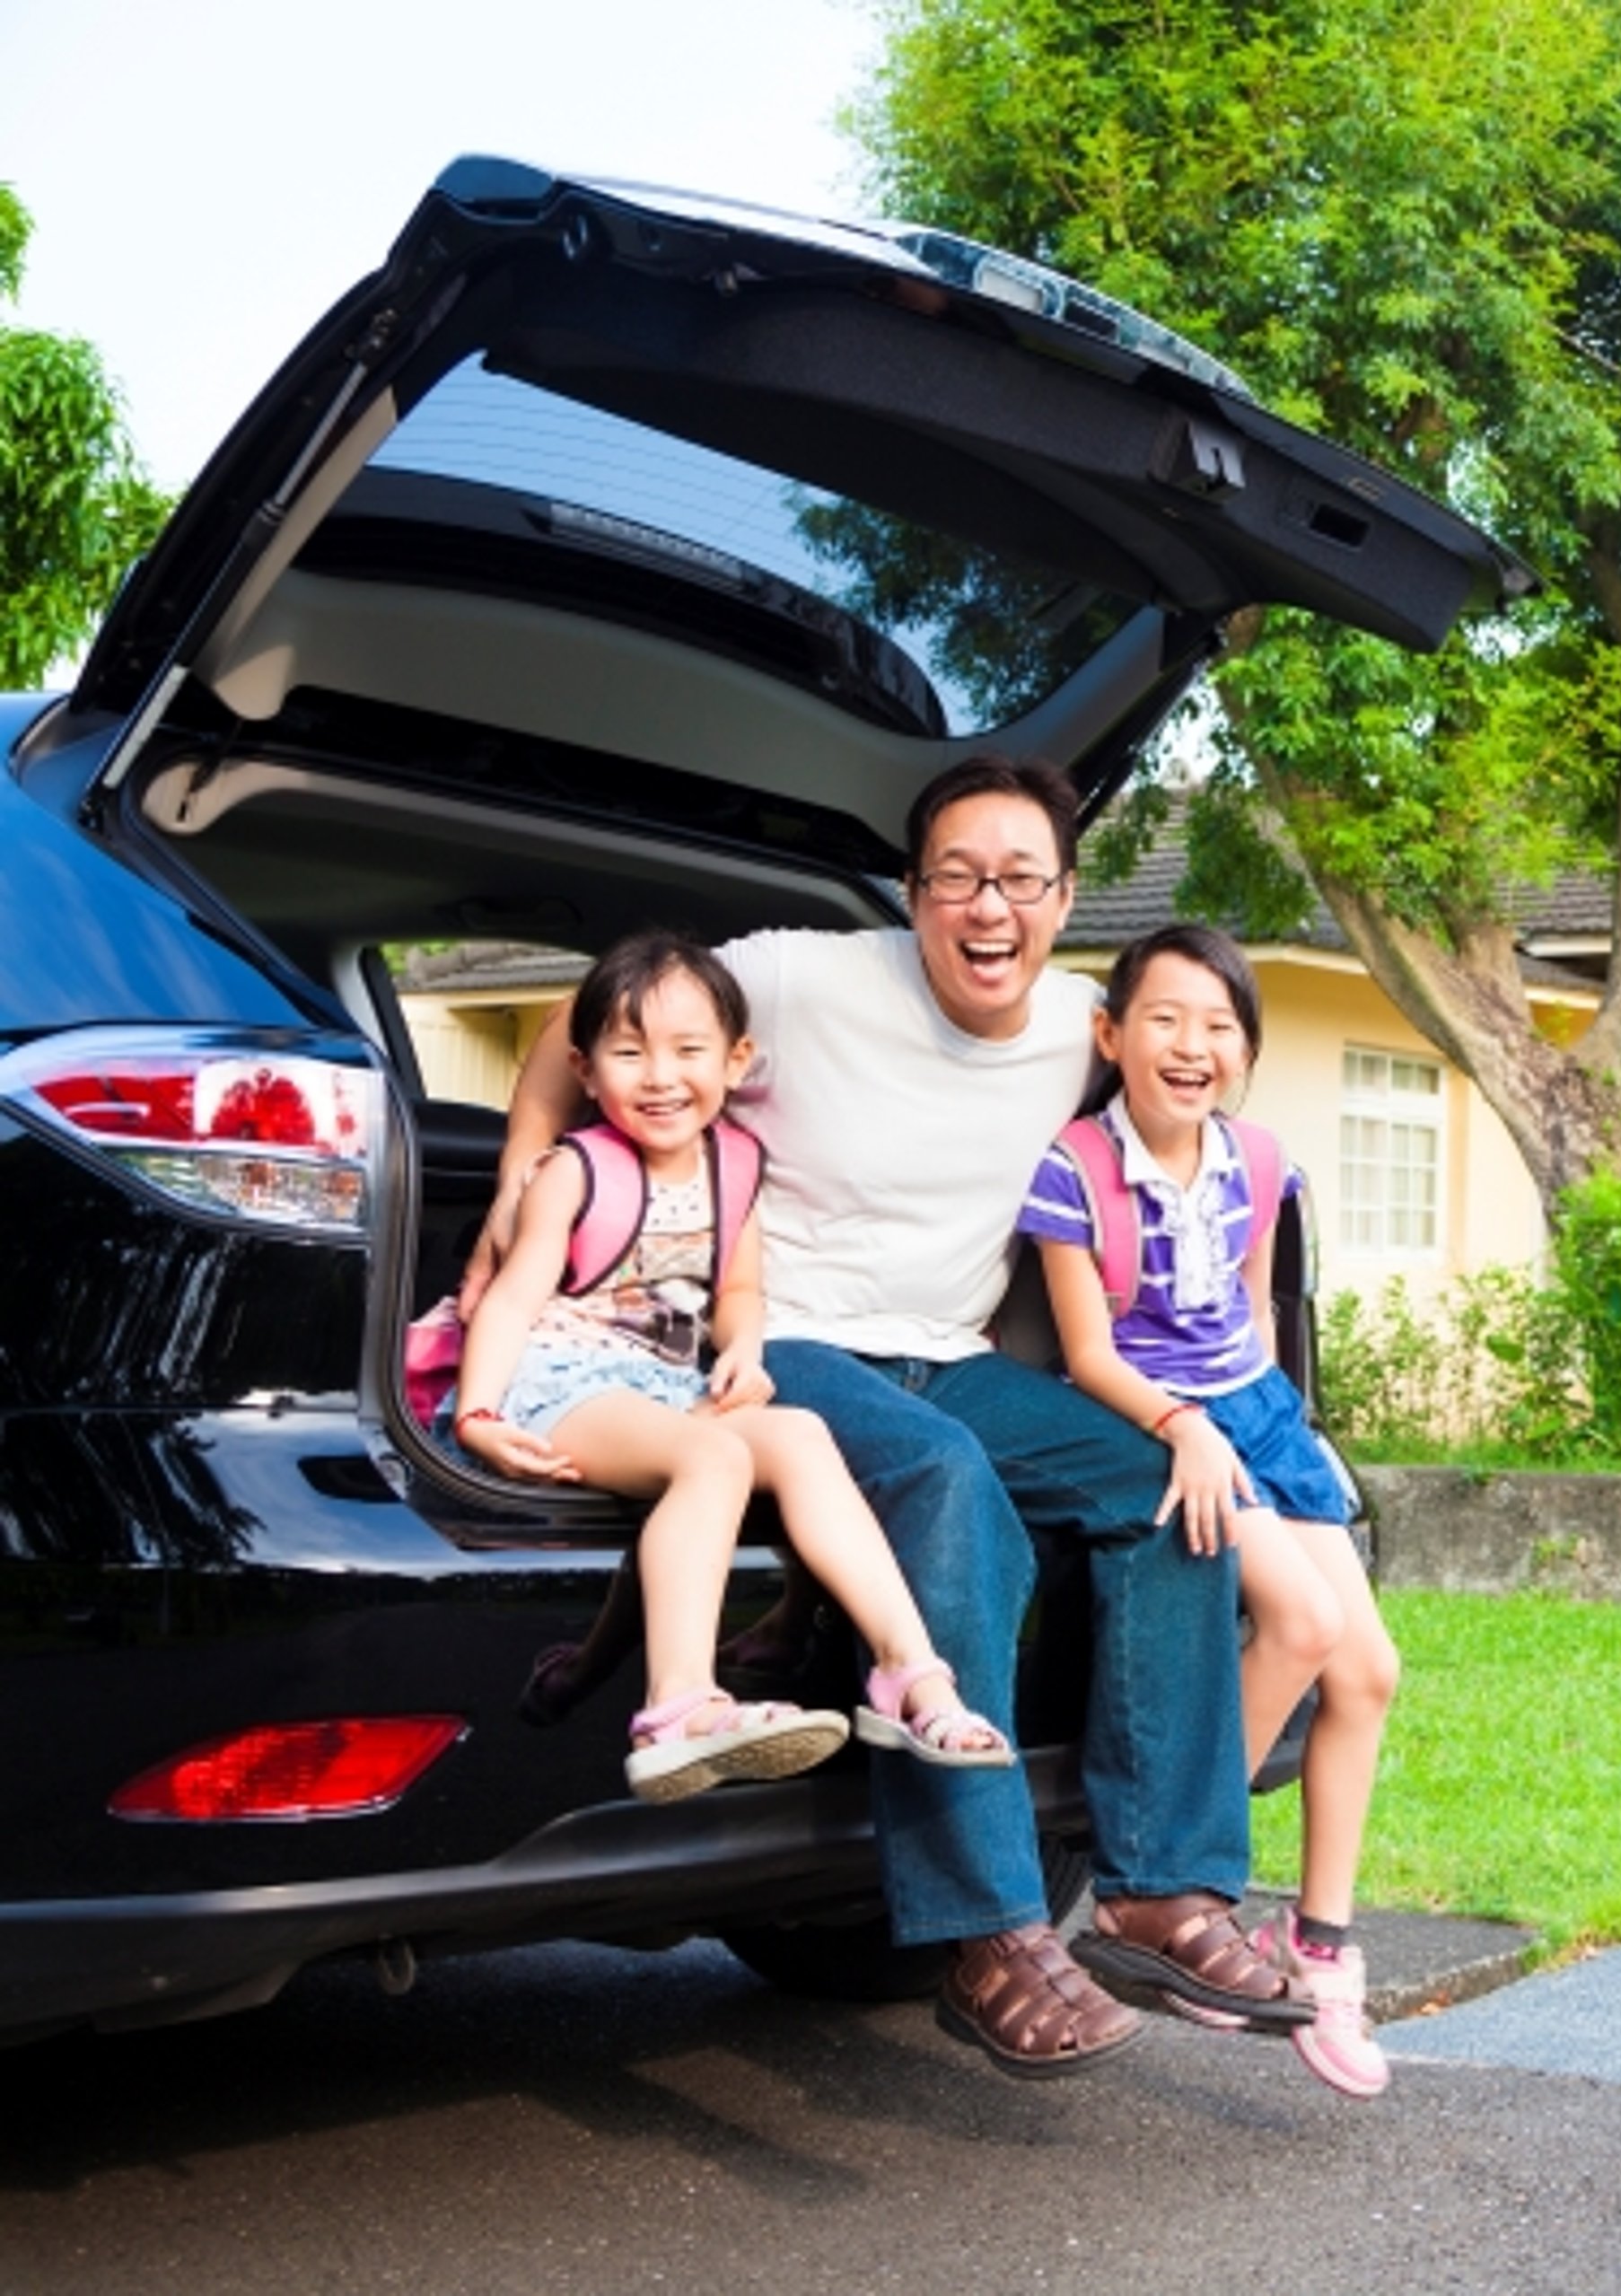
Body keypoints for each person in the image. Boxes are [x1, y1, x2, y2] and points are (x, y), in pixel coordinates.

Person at [478, 758, 1308, 2079]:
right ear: (914, 893)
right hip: (780, 1341)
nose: (991, 908)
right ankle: (985, 1931)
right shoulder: (799, 977)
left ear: (1064, 897)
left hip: (951, 1350)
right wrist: (521, 1201)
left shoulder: (1090, 1030)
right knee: (944, 1475)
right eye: (959, 878)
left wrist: (1214, 1397)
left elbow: (1181, 1134)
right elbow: (575, 1033)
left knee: (1163, 1484)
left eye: (1022, 880)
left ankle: (1164, 1889)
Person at [450, 932, 1012, 1802]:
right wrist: (479, 1412)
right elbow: (514, 1299)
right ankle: (675, 1706)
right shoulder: (574, 1170)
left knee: (797, 1432)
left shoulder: (734, 1166)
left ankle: (912, 1676)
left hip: (668, 1380)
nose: (660, 1076)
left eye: (688, 1050)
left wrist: (743, 1347)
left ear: (737, 1059)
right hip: (563, 1379)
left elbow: (739, 1286)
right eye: (629, 1052)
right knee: (716, 1456)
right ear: (587, 1070)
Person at [1021, 924, 1401, 2099]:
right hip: (1157, 1419)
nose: (1194, 1043)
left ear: (1245, 1048)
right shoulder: (1074, 1167)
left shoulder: (1262, 1160)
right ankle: (1168, 1882)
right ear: (1111, 1034)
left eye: (1220, 1024)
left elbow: (1253, 1310)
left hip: (1260, 1418)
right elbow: (1088, 1354)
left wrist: (1289, 1425)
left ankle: (1319, 1942)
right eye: (1167, 1018)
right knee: (1299, 1622)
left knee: (1370, 1670)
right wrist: (1185, 1429)